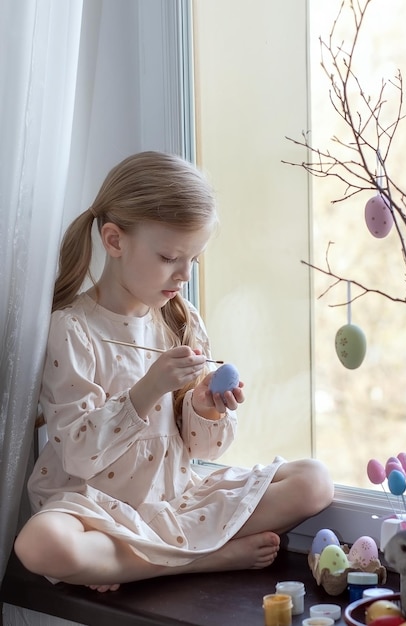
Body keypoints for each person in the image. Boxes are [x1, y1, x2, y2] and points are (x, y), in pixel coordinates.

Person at [15, 151, 333, 592]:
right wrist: (148, 389)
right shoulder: (73, 329)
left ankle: (145, 561)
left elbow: (204, 449)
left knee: (314, 481)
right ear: (114, 240)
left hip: (176, 500)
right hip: (101, 513)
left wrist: (206, 409)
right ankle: (203, 560)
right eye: (169, 257)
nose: (183, 274)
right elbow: (77, 455)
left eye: (193, 260)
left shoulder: (180, 321)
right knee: (40, 544)